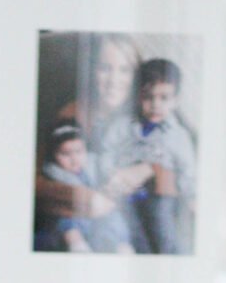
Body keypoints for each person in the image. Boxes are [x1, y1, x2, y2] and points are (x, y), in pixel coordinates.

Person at [34, 33, 154, 248]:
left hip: (125, 219)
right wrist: (80, 196)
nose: (113, 81)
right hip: (79, 214)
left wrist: (146, 168)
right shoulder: (71, 114)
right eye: (104, 68)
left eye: (124, 70)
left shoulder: (148, 112)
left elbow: (173, 156)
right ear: (92, 71)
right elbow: (35, 180)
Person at [118, 59, 196, 255]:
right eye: (148, 97)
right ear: (138, 97)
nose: (155, 104)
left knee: (162, 230)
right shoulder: (125, 126)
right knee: (131, 232)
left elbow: (188, 169)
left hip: (160, 195)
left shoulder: (178, 135)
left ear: (176, 100)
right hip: (128, 193)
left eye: (164, 98)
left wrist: (192, 198)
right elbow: (107, 152)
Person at [35, 124, 134, 253]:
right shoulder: (54, 172)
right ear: (53, 156)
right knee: (65, 217)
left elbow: (109, 177)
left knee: (114, 216)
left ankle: (122, 245)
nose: (74, 159)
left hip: (97, 215)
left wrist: (112, 184)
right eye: (65, 154)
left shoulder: (93, 164)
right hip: (74, 215)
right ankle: (76, 244)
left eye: (79, 152)